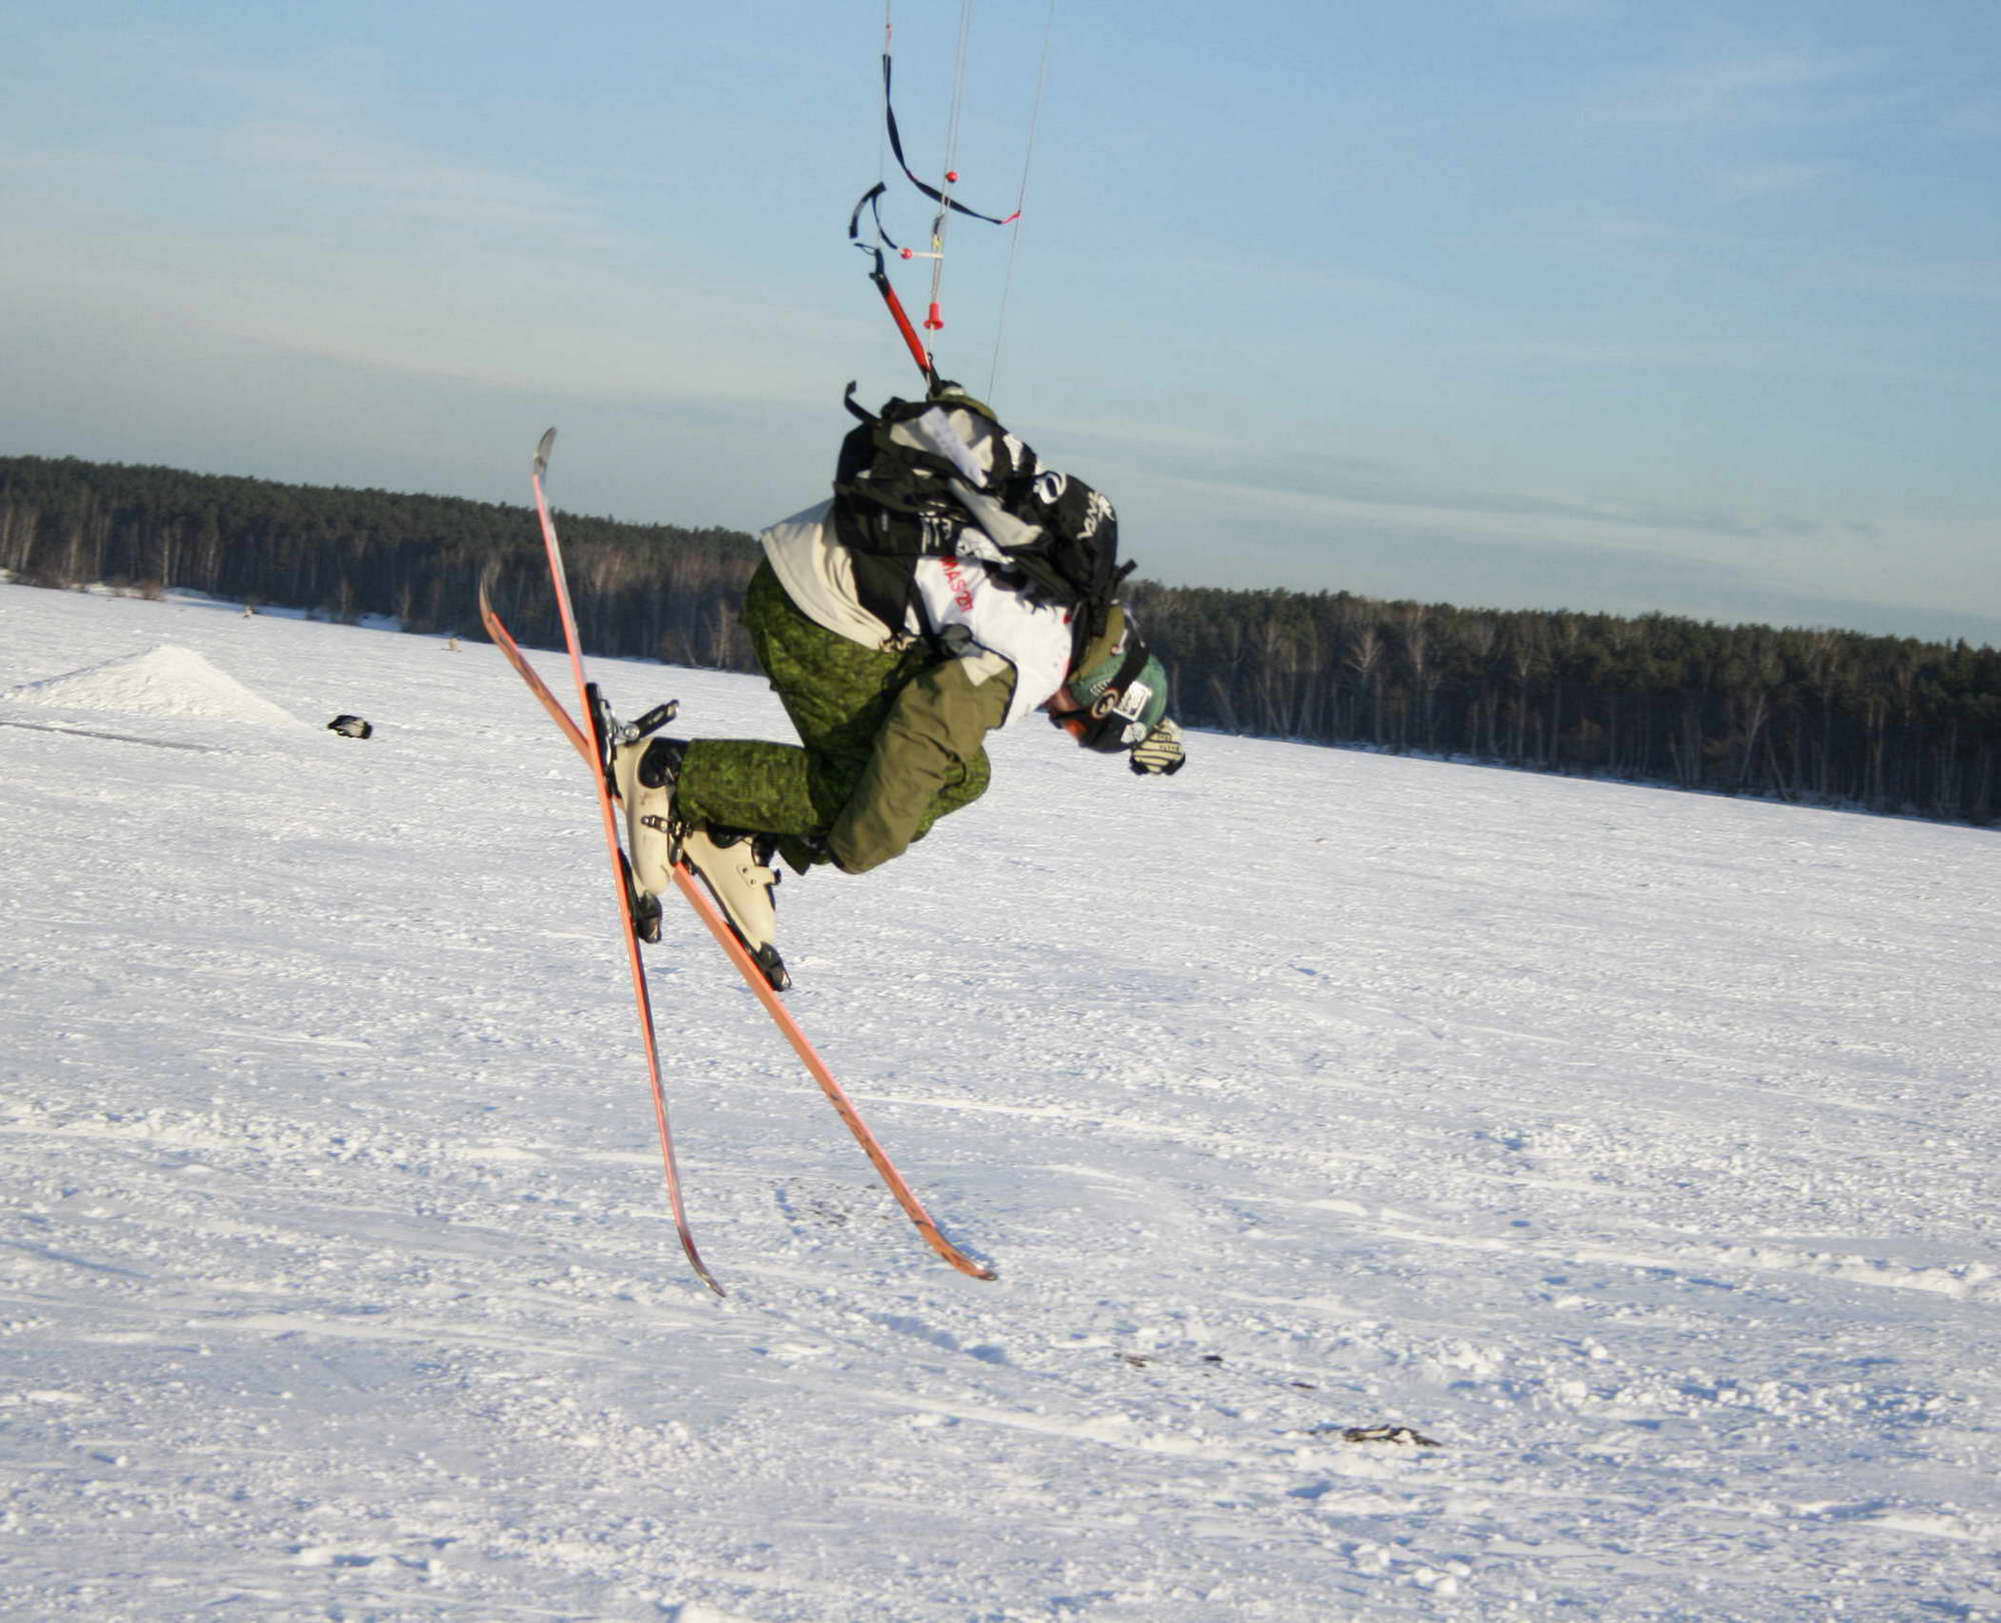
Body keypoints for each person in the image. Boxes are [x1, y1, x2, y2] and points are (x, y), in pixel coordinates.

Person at [610, 385, 1185, 990]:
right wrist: (859, 847)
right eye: (1077, 726)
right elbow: (925, 730)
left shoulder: (1073, 598)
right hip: (817, 604)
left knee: (967, 776)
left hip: (827, 575)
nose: (1058, 724)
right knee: (863, 795)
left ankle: (737, 827)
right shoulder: (1041, 660)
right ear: (1102, 692)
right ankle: (673, 776)